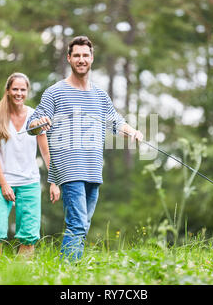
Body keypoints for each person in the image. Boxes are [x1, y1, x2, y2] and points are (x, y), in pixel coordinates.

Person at [28, 36, 143, 261]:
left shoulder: (100, 95)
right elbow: (33, 124)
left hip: (92, 169)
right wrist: (37, 124)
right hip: (68, 168)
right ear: (69, 58)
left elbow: (116, 121)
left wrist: (134, 132)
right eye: (77, 55)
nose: (81, 59)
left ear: (91, 58)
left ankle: (67, 271)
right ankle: (67, 275)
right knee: (78, 224)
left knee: (82, 225)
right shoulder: (55, 92)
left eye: (85, 55)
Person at [0, 72, 61, 258]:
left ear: (27, 92)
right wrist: (4, 184)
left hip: (29, 182)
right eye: (15, 89)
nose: (19, 93)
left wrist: (54, 181)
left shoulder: (35, 117)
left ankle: (21, 276)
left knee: (29, 235)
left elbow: (45, 152)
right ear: (8, 91)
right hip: (0, 181)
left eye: (22, 89)